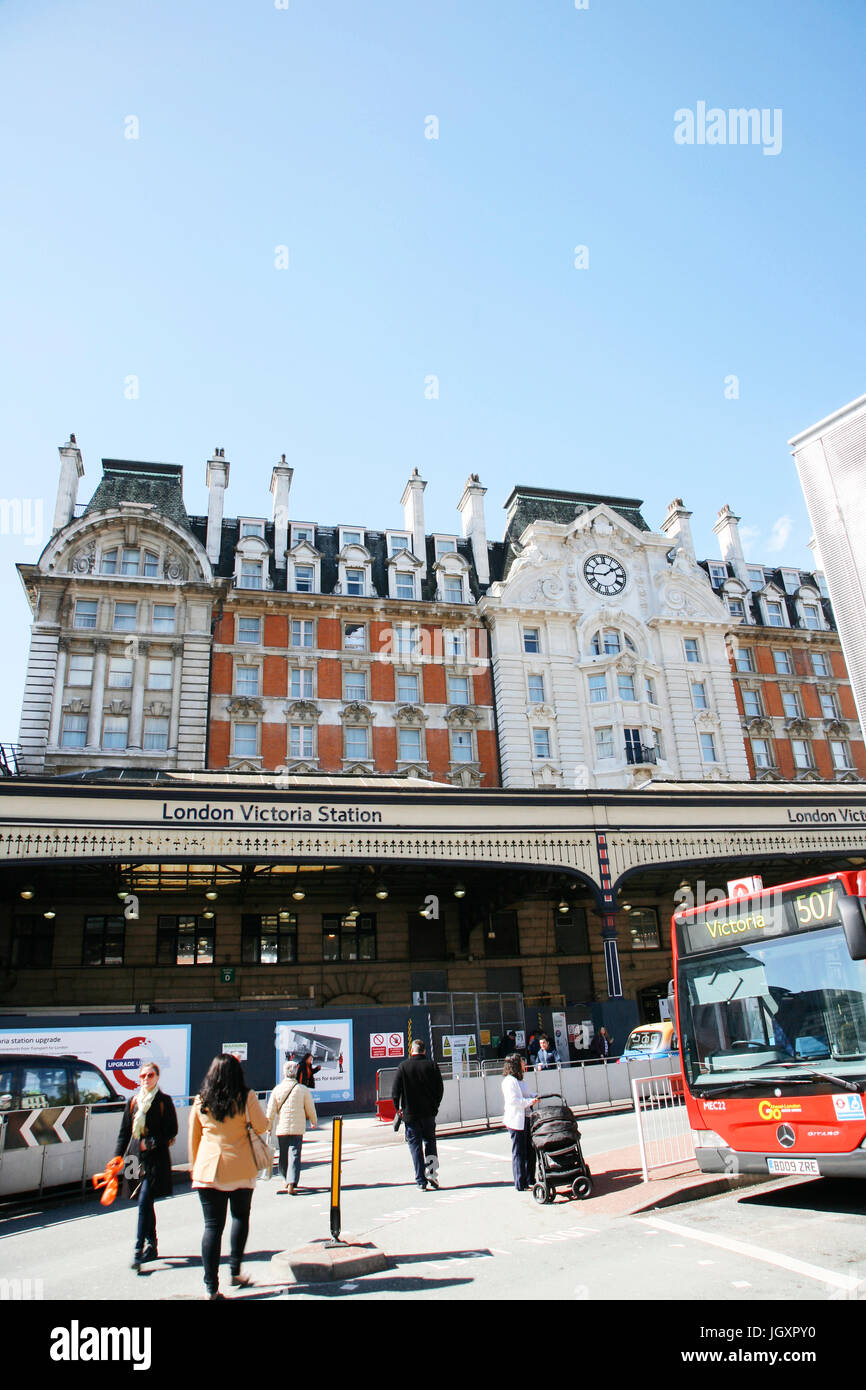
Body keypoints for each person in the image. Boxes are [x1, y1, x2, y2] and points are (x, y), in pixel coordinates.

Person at [189, 1053, 269, 1300]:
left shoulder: (201, 1100)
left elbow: (194, 1137)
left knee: (212, 1227)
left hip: (208, 1169)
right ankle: (235, 1270)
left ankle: (210, 1288)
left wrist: (195, 1167)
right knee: (240, 1218)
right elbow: (262, 1126)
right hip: (241, 1167)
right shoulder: (247, 1097)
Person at [115, 1061, 178, 1273]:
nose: (146, 1079)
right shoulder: (133, 1102)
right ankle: (152, 1244)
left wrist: (150, 1142)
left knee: (143, 1201)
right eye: (143, 1076)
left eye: (150, 1075)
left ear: (157, 1077)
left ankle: (137, 1250)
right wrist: (116, 1159)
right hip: (135, 1158)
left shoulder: (164, 1101)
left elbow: (172, 1130)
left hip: (155, 1159)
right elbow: (124, 1133)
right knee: (145, 1202)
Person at [391, 1039, 444, 1191]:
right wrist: (435, 1105)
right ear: (424, 1051)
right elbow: (440, 1089)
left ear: (411, 1050)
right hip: (428, 1113)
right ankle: (432, 1174)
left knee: (415, 1147)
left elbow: (395, 1091)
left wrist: (398, 1108)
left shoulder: (403, 1067)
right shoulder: (432, 1066)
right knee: (430, 1143)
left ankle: (420, 1180)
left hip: (411, 1114)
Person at [267, 1061, 318, 1194]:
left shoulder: (277, 1089)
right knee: (295, 1154)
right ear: (296, 1073)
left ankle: (284, 1178)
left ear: (284, 1073)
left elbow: (270, 1110)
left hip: (282, 1128)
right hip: (297, 1127)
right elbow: (310, 1108)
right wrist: (313, 1121)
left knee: (283, 1154)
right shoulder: (302, 1089)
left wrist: (268, 1125)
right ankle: (292, 1182)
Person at [501, 1054, 540, 1191]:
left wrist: (534, 1096)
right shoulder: (509, 1081)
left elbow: (527, 1094)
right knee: (519, 1151)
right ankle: (520, 1182)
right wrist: (530, 1102)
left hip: (526, 1118)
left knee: (530, 1150)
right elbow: (514, 1101)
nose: (524, 1064)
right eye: (522, 1062)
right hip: (516, 1120)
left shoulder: (520, 1081)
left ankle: (530, 1178)